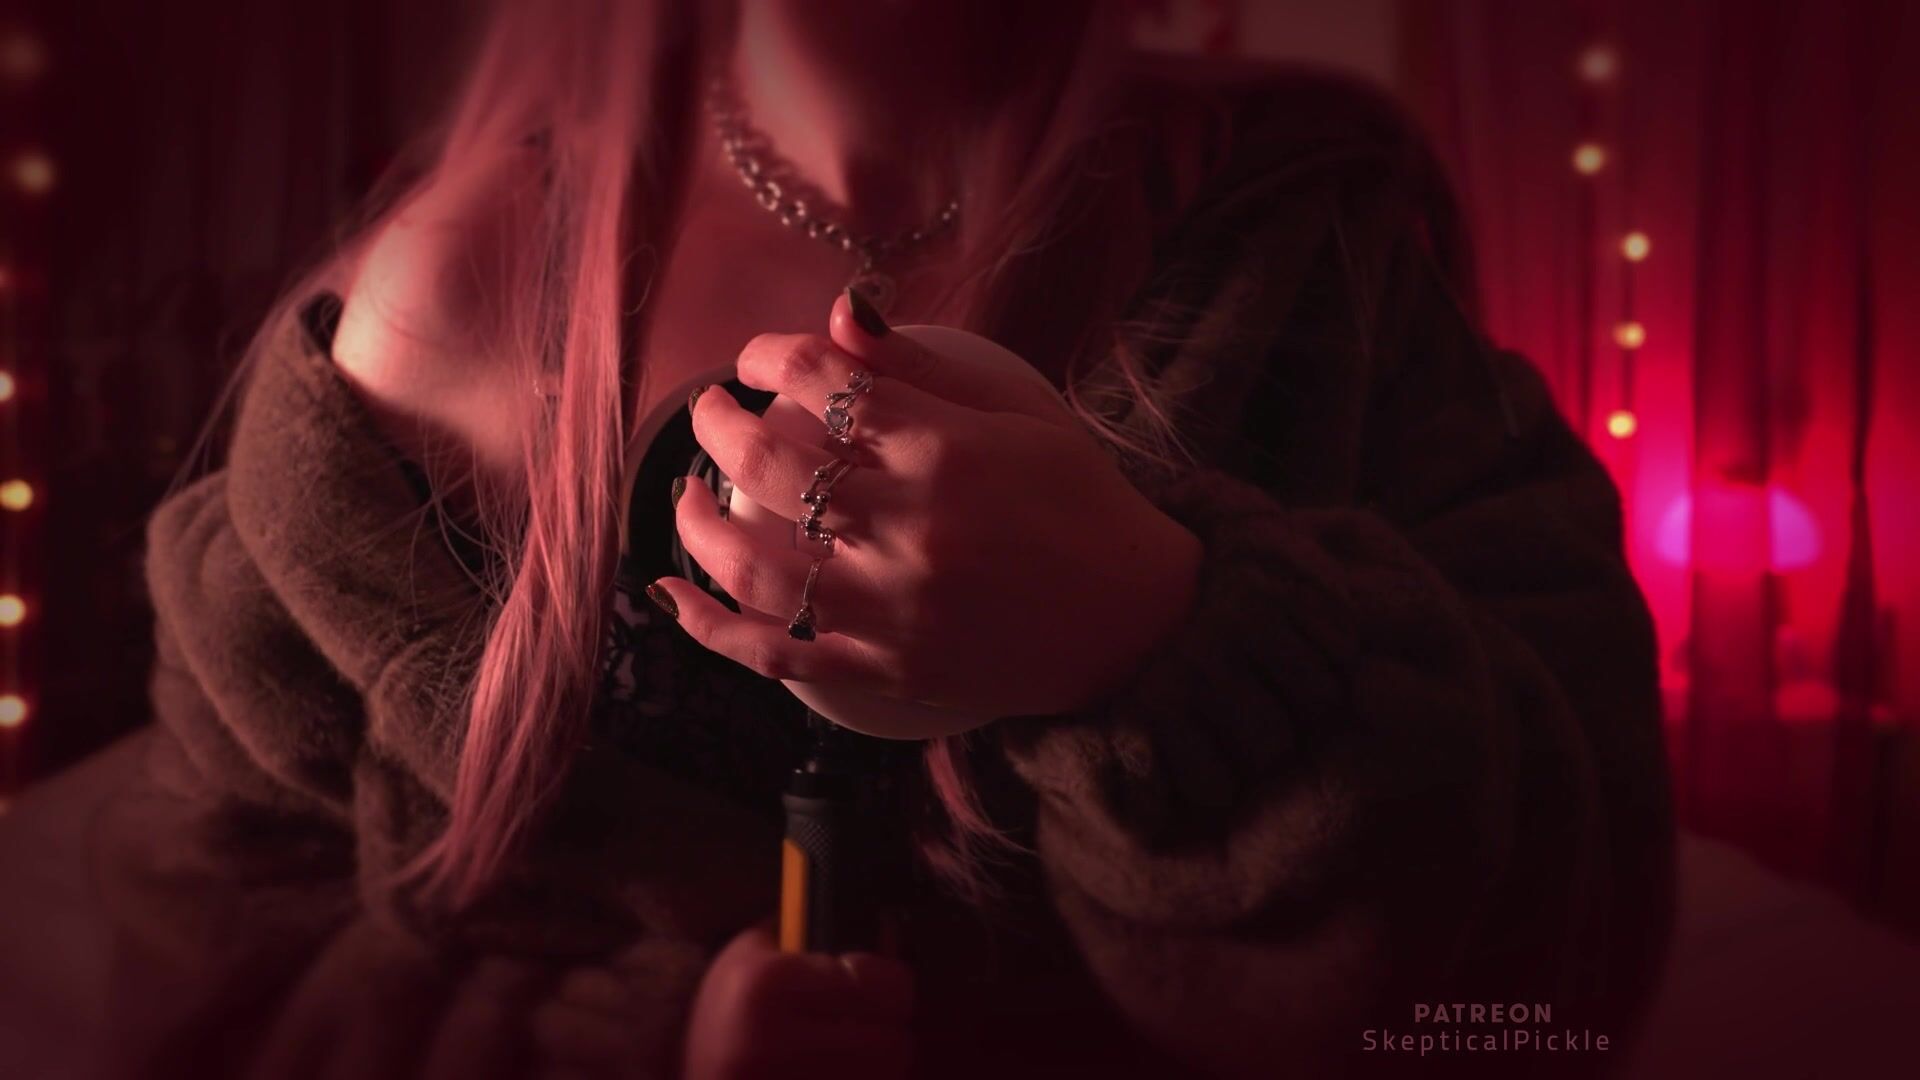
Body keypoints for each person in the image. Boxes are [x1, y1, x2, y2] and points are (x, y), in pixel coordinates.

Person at [103, 1, 1675, 1077]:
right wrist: (651, 1045)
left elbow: (1555, 979)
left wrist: (1166, 634)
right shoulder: (443, 309)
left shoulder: (1310, 253)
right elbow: (218, 984)